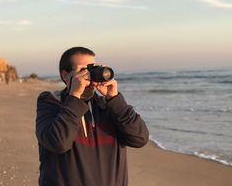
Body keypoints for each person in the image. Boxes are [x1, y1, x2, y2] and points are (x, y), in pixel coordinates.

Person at [35, 47, 149, 186]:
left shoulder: (110, 107)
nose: (89, 74)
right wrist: (75, 97)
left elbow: (140, 138)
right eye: (83, 70)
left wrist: (114, 98)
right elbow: (58, 143)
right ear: (65, 75)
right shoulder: (51, 102)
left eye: (92, 68)